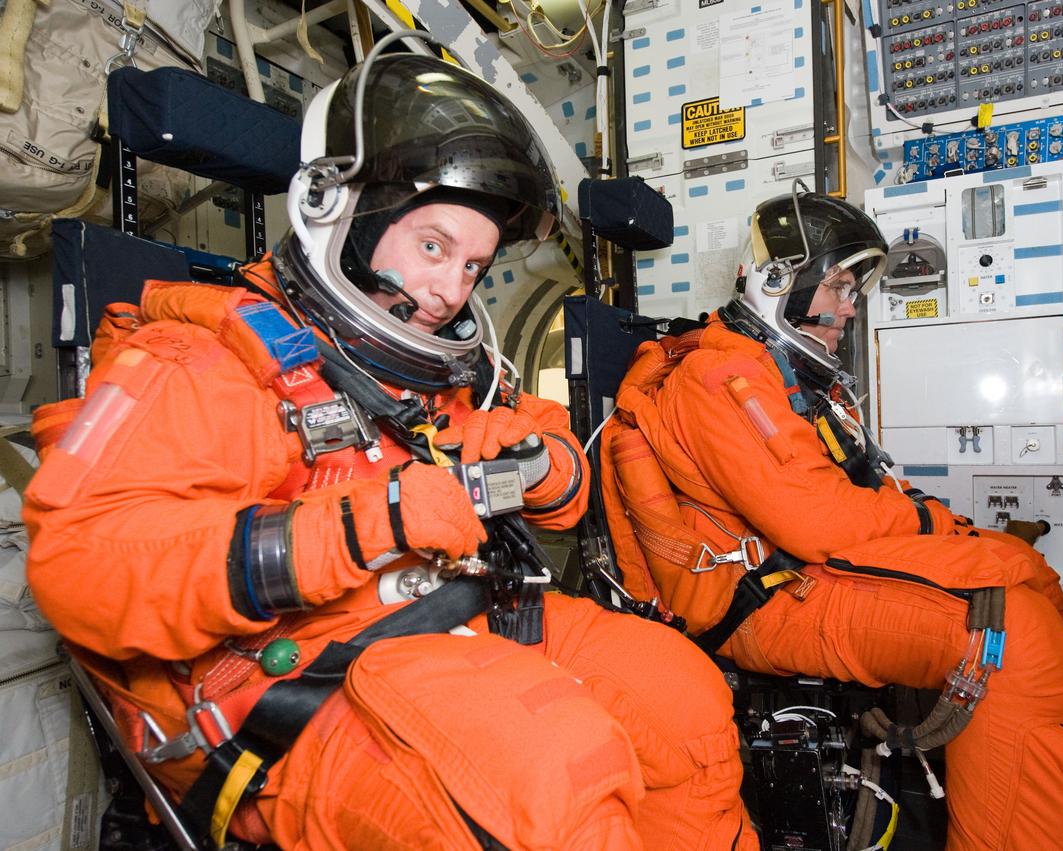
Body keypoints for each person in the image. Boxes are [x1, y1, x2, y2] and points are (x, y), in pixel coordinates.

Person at [23, 39, 754, 851]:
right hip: (301, 682)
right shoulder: (197, 363)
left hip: (457, 616)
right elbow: (80, 567)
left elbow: (554, 466)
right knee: (555, 783)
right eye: (435, 246)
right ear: (343, 212)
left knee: (684, 698)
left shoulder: (425, 368)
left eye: (474, 267)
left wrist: (546, 468)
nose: (449, 292)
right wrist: (368, 520)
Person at [599, 187, 1063, 850]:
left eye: (853, 289)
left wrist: (938, 524)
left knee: (1031, 579)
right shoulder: (721, 380)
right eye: (838, 285)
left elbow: (845, 494)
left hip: (801, 574)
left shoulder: (780, 377)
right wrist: (932, 526)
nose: (851, 307)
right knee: (1008, 637)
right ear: (778, 281)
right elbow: (816, 519)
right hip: (766, 598)